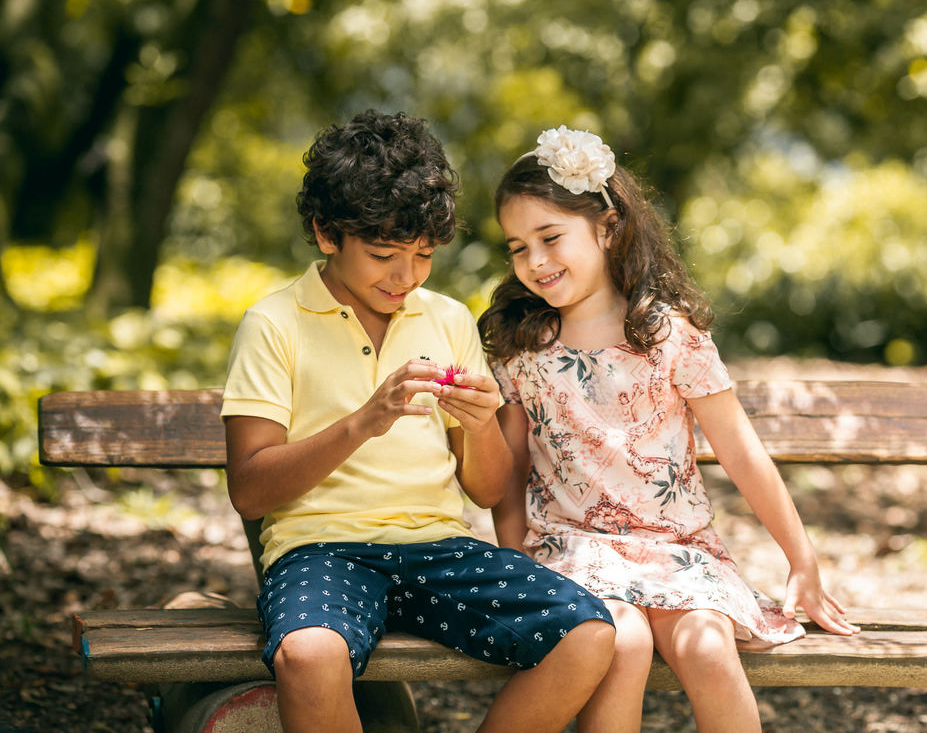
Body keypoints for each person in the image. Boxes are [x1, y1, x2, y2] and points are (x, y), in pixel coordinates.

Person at [221, 111, 615, 733]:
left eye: (423, 255)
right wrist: (364, 422)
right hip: (321, 549)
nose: (405, 277)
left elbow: (486, 490)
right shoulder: (274, 324)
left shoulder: (448, 319)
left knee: (589, 634)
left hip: (438, 547)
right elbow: (249, 489)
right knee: (308, 654)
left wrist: (483, 425)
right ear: (326, 233)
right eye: (383, 255)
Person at [478, 126, 860, 732]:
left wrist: (800, 559)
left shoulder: (667, 335)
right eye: (518, 247)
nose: (535, 261)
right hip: (572, 551)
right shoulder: (522, 349)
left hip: (677, 550)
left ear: (608, 227)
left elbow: (740, 450)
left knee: (708, 646)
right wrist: (514, 562)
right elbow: (513, 468)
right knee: (622, 642)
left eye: (551, 238)